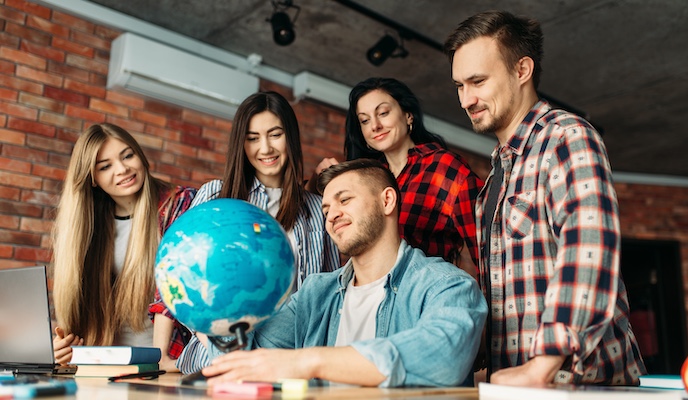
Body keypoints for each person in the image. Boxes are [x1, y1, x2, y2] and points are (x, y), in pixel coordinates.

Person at [444, 10, 646, 385]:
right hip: (523, 387)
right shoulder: (491, 185)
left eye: (478, 81)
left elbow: (590, 252)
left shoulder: (566, 138)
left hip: (584, 385)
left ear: (522, 70)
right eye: (459, 85)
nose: (465, 99)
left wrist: (543, 364)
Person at [178, 159, 487, 387]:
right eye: (325, 210)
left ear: (387, 200)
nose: (332, 215)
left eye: (345, 200)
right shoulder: (314, 293)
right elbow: (253, 355)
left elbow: (443, 360)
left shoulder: (447, 285)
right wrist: (216, 308)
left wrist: (309, 361)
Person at [51, 123, 196, 371]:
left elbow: (175, 285)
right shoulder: (87, 224)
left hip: (166, 363)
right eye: (105, 166)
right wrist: (63, 347)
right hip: (105, 365)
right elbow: (76, 301)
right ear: (92, 178)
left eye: (128, 155)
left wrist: (159, 358)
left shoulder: (180, 204)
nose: (122, 169)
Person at [307, 78, 484, 277]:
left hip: (425, 295)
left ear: (408, 115)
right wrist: (316, 177)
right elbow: (310, 211)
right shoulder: (364, 179)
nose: (375, 125)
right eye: (365, 120)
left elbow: (484, 246)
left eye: (383, 113)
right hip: (368, 295)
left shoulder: (443, 167)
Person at [184, 91, 341, 289]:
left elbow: (332, 291)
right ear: (241, 143)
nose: (265, 148)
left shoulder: (318, 208)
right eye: (253, 138)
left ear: (290, 137)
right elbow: (181, 268)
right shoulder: (215, 196)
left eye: (275, 135)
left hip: (299, 320)